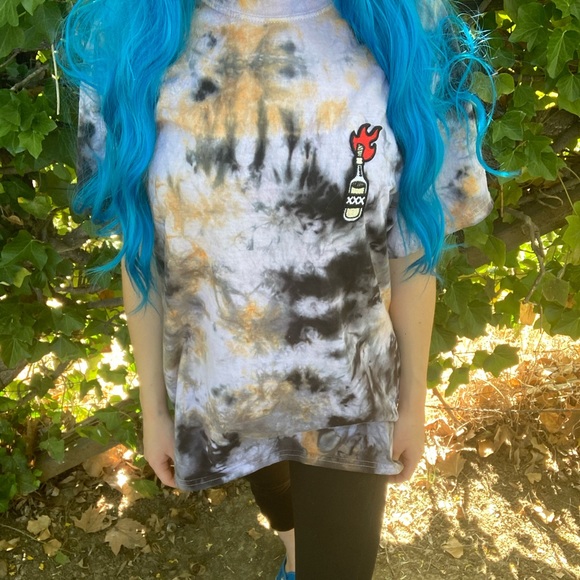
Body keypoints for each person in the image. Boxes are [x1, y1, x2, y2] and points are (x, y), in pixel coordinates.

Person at [57, 0, 501, 577]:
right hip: (228, 393)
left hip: (350, 399)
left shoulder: (411, 24)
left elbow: (415, 245)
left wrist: (411, 403)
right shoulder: (130, 36)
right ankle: (292, 552)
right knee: (281, 509)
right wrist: (154, 410)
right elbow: (143, 250)